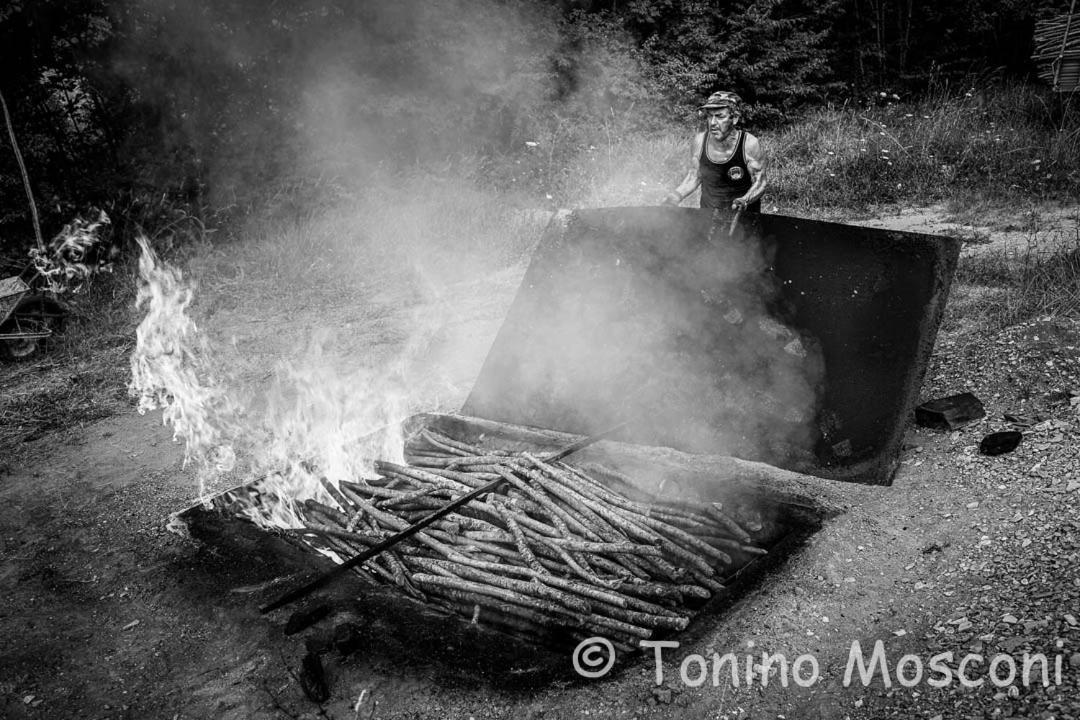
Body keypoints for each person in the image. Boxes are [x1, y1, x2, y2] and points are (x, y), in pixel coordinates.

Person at [662, 91, 767, 212]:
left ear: (735, 119)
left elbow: (760, 182)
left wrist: (744, 200)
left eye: (719, 116)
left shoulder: (749, 144)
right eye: (710, 116)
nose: (712, 123)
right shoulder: (699, 142)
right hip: (708, 216)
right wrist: (674, 197)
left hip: (742, 218)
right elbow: (694, 176)